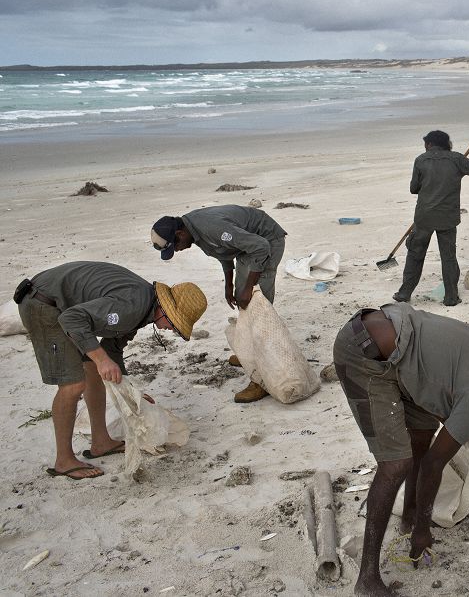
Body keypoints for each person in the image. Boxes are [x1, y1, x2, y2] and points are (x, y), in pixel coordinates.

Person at [332, 302, 469, 596]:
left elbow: (447, 379)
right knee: (396, 465)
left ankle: (409, 514)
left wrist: (459, 428)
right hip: (363, 352)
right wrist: (424, 530)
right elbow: (433, 464)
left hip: (387, 336)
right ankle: (367, 579)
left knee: (423, 434)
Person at [13, 262, 206, 480]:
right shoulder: (132, 305)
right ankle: (63, 460)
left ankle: (101, 442)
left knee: (93, 368)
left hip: (59, 304)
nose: (171, 330)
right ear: (166, 310)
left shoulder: (144, 308)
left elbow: (112, 349)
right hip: (42, 303)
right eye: (174, 324)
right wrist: (101, 359)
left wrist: (131, 393)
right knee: (73, 384)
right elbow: (71, 319)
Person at [151, 205, 287, 403]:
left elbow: (261, 247)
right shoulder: (194, 231)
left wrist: (250, 286)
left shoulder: (211, 227)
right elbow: (224, 251)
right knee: (243, 299)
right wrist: (229, 284)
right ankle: (250, 353)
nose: (178, 250)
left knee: (259, 306)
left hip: (267, 240)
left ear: (180, 233)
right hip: (248, 245)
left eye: (176, 246)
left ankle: (262, 379)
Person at [393, 131, 469, 307]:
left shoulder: (421, 160)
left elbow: (414, 189)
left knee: (415, 255)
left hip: (424, 216)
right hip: (447, 217)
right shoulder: (457, 159)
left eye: (425, 144)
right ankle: (451, 297)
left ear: (429, 144)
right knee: (448, 257)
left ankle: (404, 293)